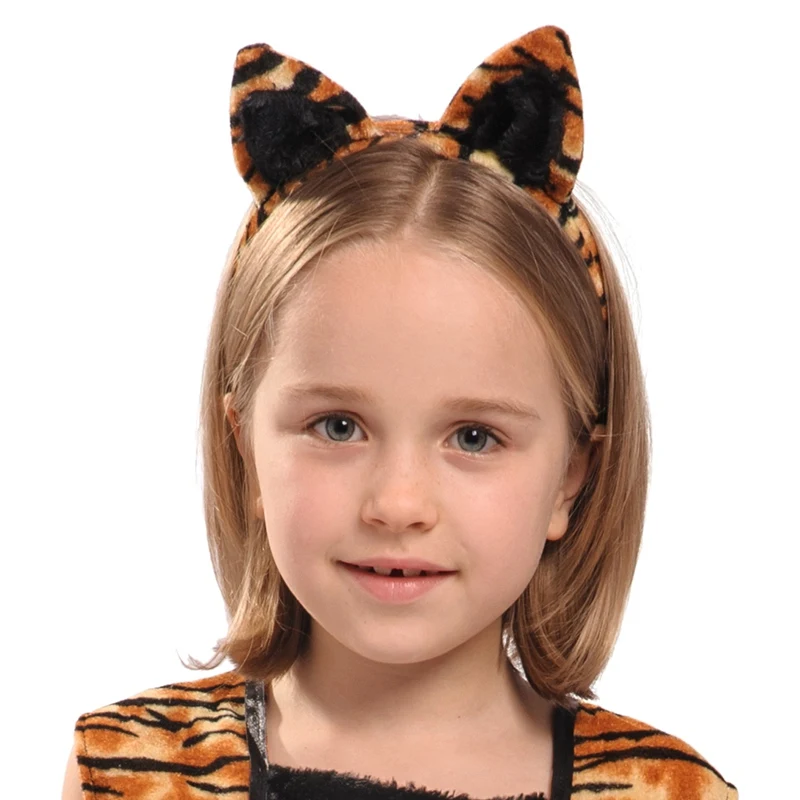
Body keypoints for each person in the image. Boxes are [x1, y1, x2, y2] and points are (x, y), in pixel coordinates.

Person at [62, 26, 737, 800]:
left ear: (570, 478)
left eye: (474, 437)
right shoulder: (133, 773)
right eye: (338, 427)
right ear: (244, 448)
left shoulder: (663, 789)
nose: (398, 504)